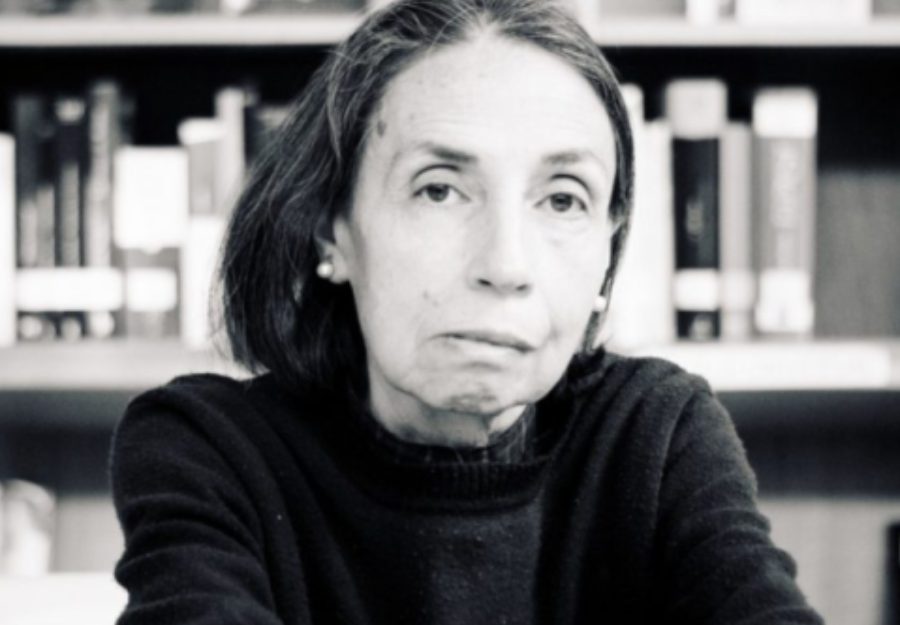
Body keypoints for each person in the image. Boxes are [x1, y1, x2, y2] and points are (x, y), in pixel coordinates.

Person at [110, 1, 824, 623]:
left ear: (606, 252)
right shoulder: (211, 448)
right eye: (439, 190)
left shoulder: (656, 436)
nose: (506, 265)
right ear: (331, 230)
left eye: (563, 199)